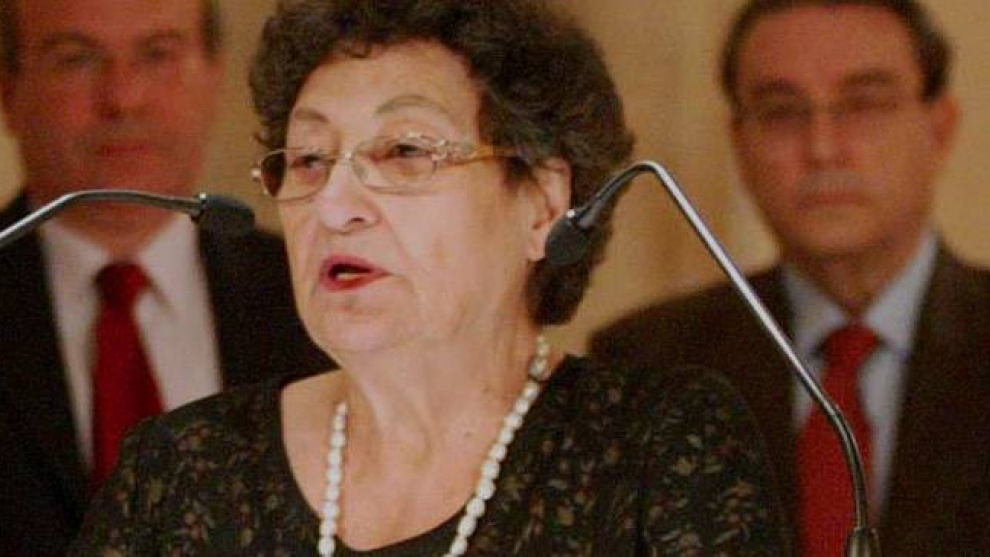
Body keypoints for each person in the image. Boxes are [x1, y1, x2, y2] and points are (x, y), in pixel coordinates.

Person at [70, 1, 788, 554]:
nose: (334, 205)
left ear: (543, 204)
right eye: (310, 160)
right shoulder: (182, 470)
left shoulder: (660, 447)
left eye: (406, 151)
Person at [591, 0, 990, 555]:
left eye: (863, 104)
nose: (823, 148)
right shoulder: (646, 363)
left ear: (939, 128)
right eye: (782, 112)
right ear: (739, 143)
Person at [0, 0, 329, 555]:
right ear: (8, 90)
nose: (123, 98)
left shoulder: (318, 294)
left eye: (158, 54)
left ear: (215, 76)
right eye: (76, 59)